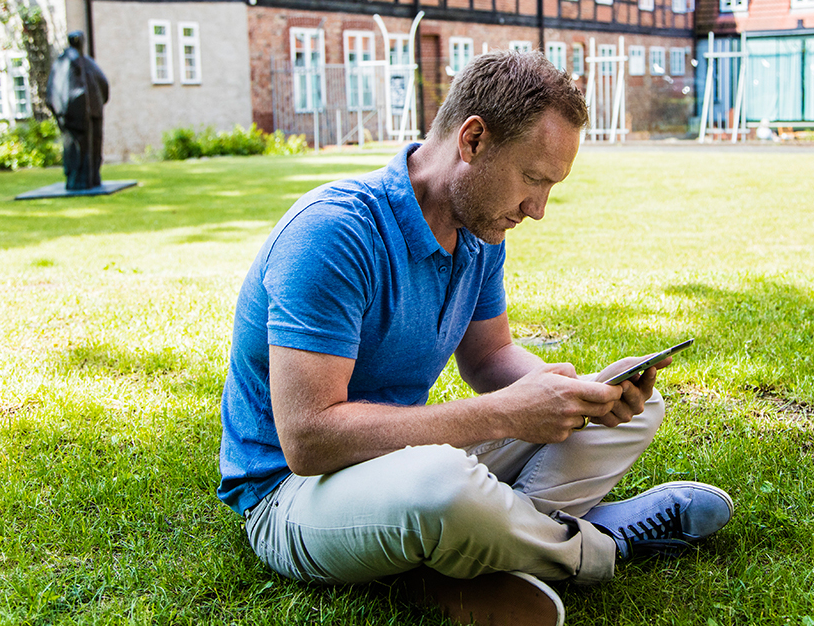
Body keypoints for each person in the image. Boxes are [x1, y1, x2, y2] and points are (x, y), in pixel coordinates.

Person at [218, 50, 733, 626]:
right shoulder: (333, 234)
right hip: (292, 495)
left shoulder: (480, 231)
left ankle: (476, 549)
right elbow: (308, 439)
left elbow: (491, 356)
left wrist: (574, 392)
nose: (537, 210)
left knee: (636, 409)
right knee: (440, 484)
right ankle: (595, 543)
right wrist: (505, 415)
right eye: (533, 179)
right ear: (473, 141)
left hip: (400, 461)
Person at [47, 31, 108, 191]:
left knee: (92, 147)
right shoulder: (67, 62)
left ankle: (92, 177)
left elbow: (103, 84)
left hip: (89, 113)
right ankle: (78, 180)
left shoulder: (85, 63)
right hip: (74, 115)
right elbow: (55, 91)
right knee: (76, 149)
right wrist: (61, 111)